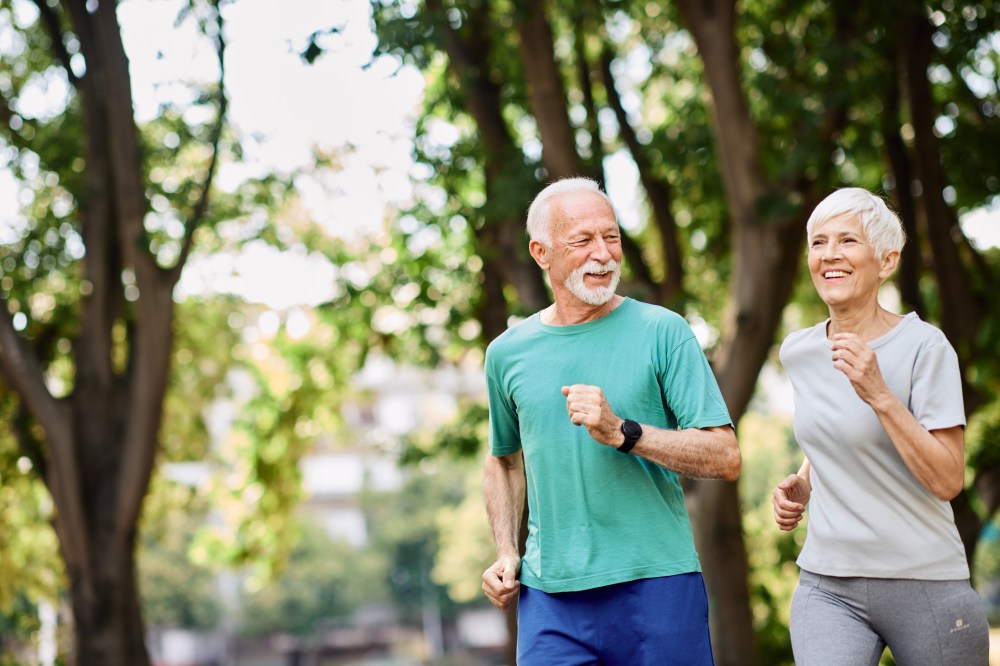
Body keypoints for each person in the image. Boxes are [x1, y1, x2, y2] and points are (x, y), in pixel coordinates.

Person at [481, 176, 741, 665]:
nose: (603, 253)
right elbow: (504, 461)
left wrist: (626, 433)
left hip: (658, 585)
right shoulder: (506, 355)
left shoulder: (663, 331)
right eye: (583, 241)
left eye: (612, 237)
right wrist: (505, 552)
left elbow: (725, 456)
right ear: (542, 253)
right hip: (550, 597)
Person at [771, 187, 989, 665]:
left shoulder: (925, 348)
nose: (830, 254)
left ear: (887, 261)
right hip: (828, 586)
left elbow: (948, 478)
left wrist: (880, 395)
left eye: (848, 241)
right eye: (818, 242)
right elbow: (837, 430)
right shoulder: (800, 351)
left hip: (925, 581)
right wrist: (806, 481)